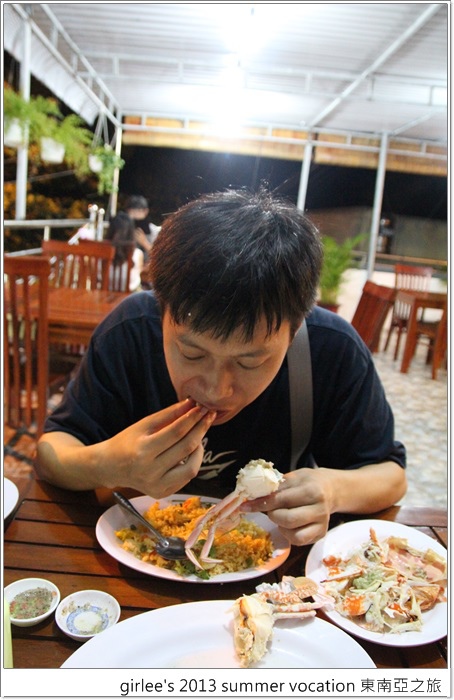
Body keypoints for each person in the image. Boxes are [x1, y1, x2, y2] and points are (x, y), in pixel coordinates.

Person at [36, 189, 407, 547]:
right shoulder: (129, 332)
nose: (216, 389)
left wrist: (332, 489)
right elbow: (52, 451)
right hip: (136, 549)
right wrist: (107, 465)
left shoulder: (330, 348)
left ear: (294, 331)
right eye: (191, 353)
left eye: (250, 361)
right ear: (161, 311)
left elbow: (390, 476)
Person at [104, 212, 144, 292]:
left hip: (105, 295)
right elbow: (137, 274)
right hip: (130, 296)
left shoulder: (98, 254)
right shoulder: (137, 254)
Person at [125, 194, 161, 261]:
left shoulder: (154, 231)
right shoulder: (123, 229)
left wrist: (144, 243)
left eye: (138, 211)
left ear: (146, 211)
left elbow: (159, 257)